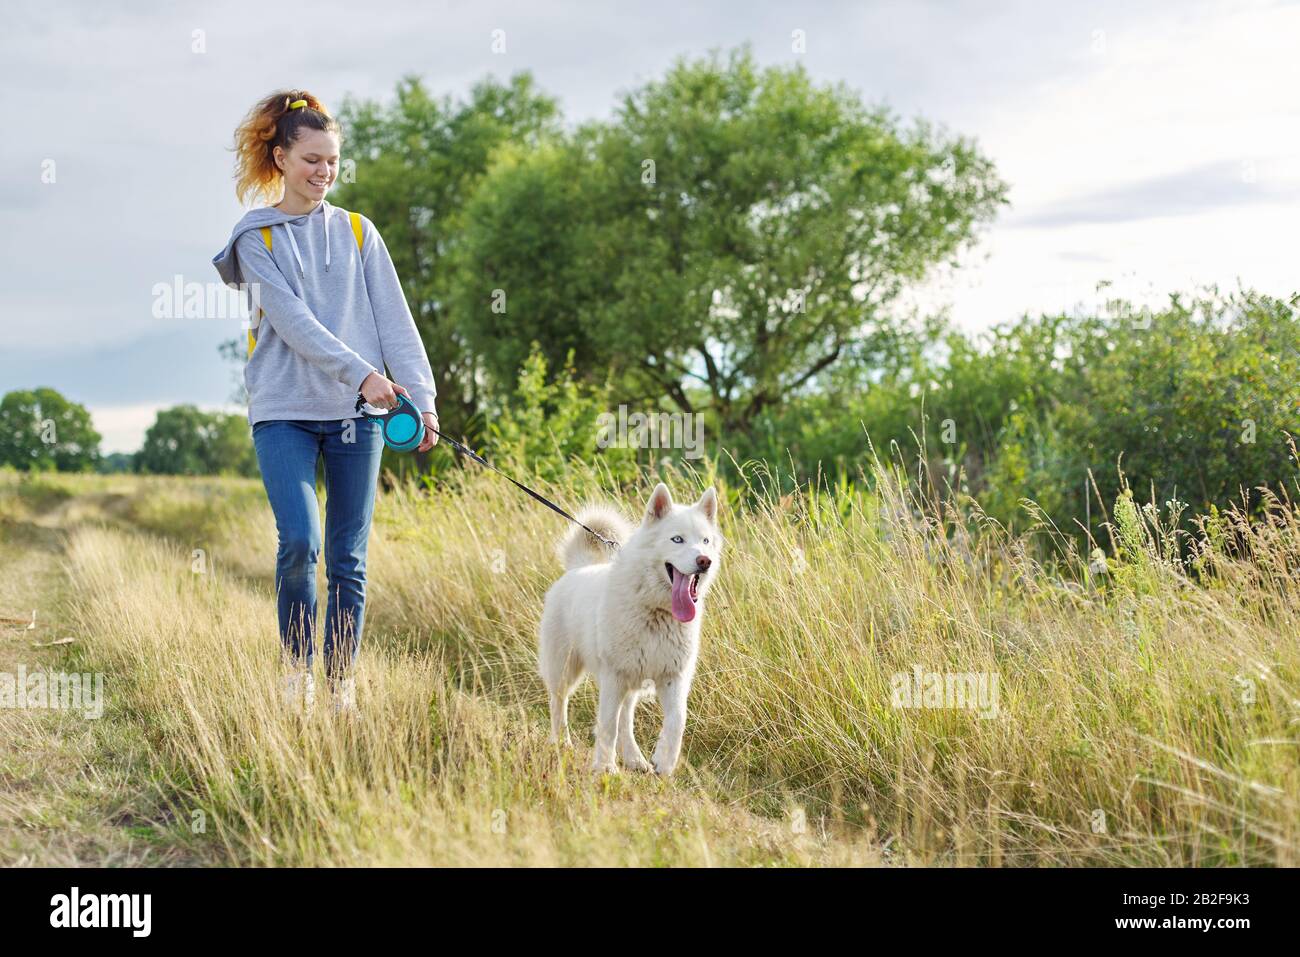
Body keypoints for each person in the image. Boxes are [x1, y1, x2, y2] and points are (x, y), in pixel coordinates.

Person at [212, 89, 439, 716]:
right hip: (283, 411)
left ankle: (340, 689)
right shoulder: (255, 239)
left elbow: (396, 321)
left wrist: (421, 399)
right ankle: (297, 676)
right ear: (280, 157)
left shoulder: (360, 232)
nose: (324, 172)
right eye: (311, 159)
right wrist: (363, 372)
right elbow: (292, 321)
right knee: (300, 542)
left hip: (355, 417)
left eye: (332, 161)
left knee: (348, 556)